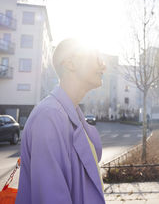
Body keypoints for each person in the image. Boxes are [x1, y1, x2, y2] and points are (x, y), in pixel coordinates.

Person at [16, 39, 106, 204]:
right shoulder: (49, 118)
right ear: (70, 63)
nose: (104, 65)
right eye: (96, 57)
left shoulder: (70, 116)